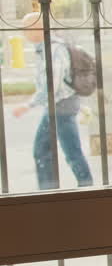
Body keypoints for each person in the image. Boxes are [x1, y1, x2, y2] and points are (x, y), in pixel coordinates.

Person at [12, 12, 93, 190]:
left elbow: (52, 85)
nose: (23, 33)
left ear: (38, 29)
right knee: (44, 151)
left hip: (62, 106)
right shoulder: (45, 49)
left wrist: (27, 105)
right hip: (57, 106)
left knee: (70, 152)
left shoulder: (54, 50)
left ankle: (87, 188)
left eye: (26, 28)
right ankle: (49, 191)